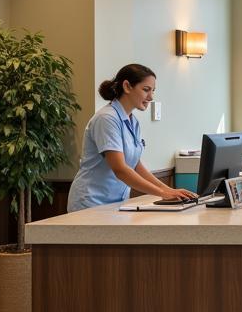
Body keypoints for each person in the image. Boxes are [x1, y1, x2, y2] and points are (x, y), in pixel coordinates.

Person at [67, 64, 197, 212]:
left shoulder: (132, 121)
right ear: (127, 86)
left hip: (116, 202)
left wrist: (169, 190)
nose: (151, 97)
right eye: (146, 90)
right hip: (91, 202)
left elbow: (135, 164)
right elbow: (120, 168)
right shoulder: (107, 119)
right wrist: (162, 193)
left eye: (153, 91)